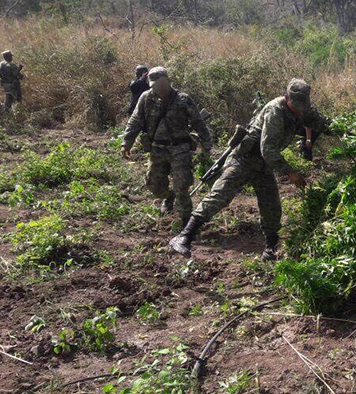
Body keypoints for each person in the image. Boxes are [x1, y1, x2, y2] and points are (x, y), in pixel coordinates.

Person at [170, 79, 329, 260]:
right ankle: (184, 236)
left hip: (264, 166)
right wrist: (290, 172)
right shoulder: (275, 111)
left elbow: (324, 123)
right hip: (244, 159)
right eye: (296, 105)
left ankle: (270, 249)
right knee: (219, 196)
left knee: (272, 208)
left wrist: (348, 129)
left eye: (302, 105)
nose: (299, 109)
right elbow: (268, 149)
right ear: (286, 97)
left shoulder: (304, 110)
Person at [122, 67, 212, 227]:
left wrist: (206, 145)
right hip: (157, 149)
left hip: (180, 148)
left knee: (182, 186)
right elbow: (135, 121)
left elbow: (198, 122)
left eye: (162, 84)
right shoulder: (145, 98)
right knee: (154, 185)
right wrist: (126, 143)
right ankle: (168, 197)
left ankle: (186, 224)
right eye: (156, 85)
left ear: (168, 82)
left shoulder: (183, 99)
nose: (160, 88)